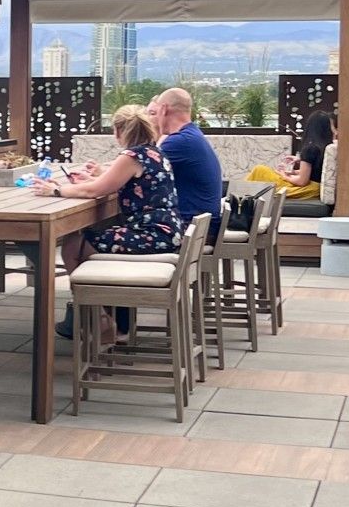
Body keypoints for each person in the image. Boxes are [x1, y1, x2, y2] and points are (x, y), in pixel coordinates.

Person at [33, 105, 183, 343]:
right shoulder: (154, 153)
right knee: (94, 237)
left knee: (74, 245)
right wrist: (91, 180)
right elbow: (114, 183)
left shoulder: (131, 156)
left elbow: (97, 190)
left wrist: (57, 189)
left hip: (150, 235)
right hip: (166, 232)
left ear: (117, 131)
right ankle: (111, 317)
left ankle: (100, 317)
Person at [152, 87, 223, 239]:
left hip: (191, 231)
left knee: (97, 236)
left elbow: (136, 169)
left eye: (155, 112)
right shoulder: (192, 135)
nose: (155, 119)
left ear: (164, 109)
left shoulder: (180, 141)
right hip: (202, 227)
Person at [245, 109, 335, 199]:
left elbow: (302, 181)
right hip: (315, 188)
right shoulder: (326, 147)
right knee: (262, 173)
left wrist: (285, 176)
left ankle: (240, 200)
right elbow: (315, 172)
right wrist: (293, 172)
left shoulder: (310, 149)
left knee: (259, 170)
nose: (334, 130)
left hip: (307, 189)